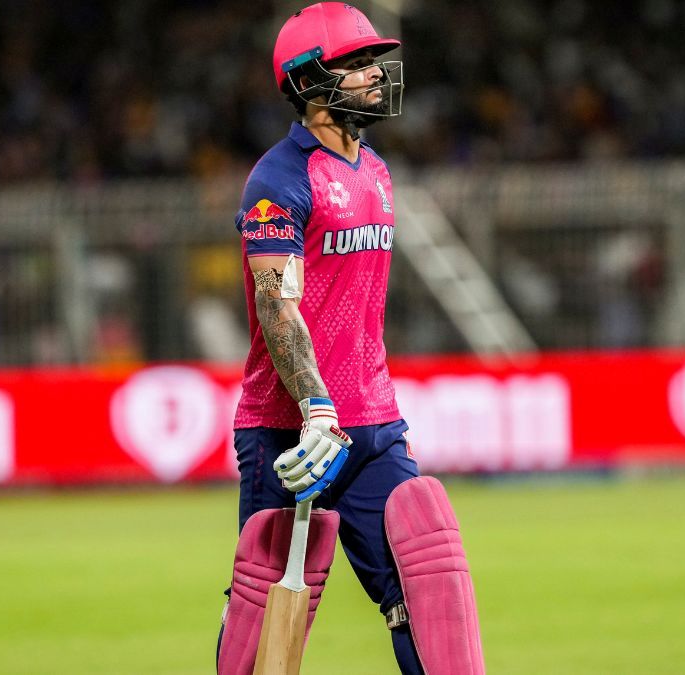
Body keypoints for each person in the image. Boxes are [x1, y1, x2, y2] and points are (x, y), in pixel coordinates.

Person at [216, 4, 484, 674]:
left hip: (372, 425)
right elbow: (277, 304)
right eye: (355, 64)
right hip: (290, 433)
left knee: (428, 597)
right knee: (263, 626)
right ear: (307, 79)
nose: (374, 75)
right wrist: (315, 407)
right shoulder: (278, 180)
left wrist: (353, 410)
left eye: (373, 62)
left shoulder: (376, 171)